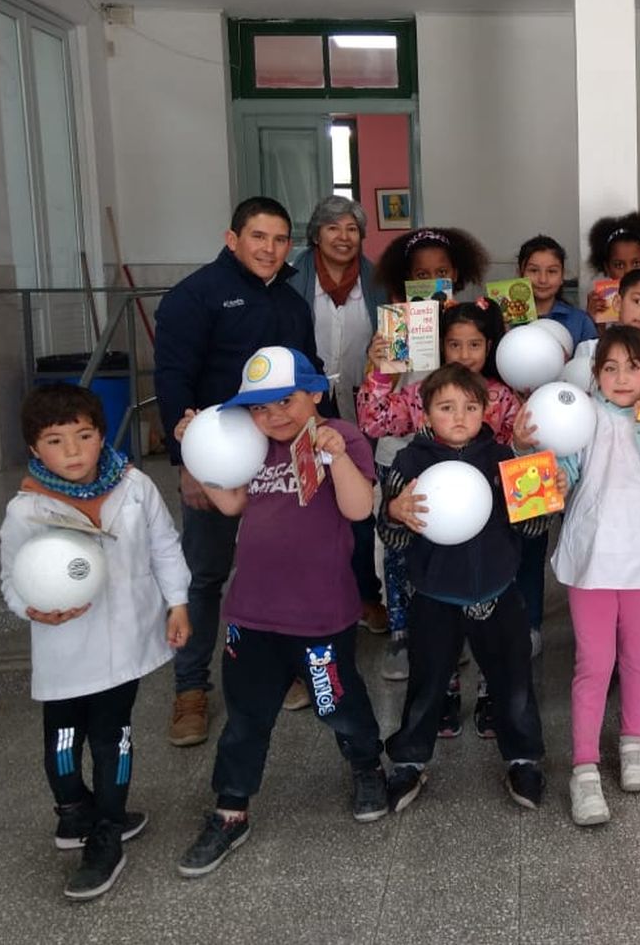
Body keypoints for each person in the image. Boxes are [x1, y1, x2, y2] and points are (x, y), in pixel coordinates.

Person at [172, 347, 387, 877]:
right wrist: (200, 449)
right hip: (253, 614)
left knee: (334, 702)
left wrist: (336, 455)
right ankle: (231, 808)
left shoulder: (341, 436)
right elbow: (233, 504)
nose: (274, 416)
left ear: (314, 393)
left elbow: (360, 509)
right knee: (246, 717)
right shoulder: (254, 446)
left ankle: (365, 765)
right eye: (261, 408)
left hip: (320, 615)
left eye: (286, 401)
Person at [0, 384, 191, 901]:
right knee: (62, 742)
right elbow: (11, 578)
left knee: (113, 737)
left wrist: (177, 603)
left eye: (84, 436)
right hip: (64, 648)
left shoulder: (134, 486)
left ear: (102, 434)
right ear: (35, 450)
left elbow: (164, 547)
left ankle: (107, 830)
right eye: (56, 441)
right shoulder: (26, 510)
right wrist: (31, 607)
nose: (74, 451)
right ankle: (73, 809)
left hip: (123, 644)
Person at [154, 196, 320, 747]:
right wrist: (188, 466)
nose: (270, 249)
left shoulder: (293, 303)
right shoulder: (194, 297)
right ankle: (190, 689)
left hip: (282, 455)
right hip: (217, 459)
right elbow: (173, 380)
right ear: (232, 240)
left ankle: (284, 668)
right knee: (205, 575)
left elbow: (309, 373)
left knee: (278, 564)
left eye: (279, 239)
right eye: (258, 237)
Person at [376, 364, 549, 813]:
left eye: (470, 407)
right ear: (425, 413)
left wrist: (539, 483)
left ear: (485, 410)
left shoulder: (503, 457)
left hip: (498, 588)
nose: (459, 417)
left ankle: (523, 756)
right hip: (434, 593)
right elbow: (393, 536)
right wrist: (395, 512)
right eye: (446, 407)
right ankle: (410, 760)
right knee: (428, 681)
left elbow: (533, 529)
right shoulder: (408, 464)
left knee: (513, 681)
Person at [545, 326, 640, 825]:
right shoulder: (583, 418)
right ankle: (584, 767)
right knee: (594, 662)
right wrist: (541, 459)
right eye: (611, 367)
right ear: (596, 375)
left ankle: (634, 743)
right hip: (592, 561)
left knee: (638, 656)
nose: (623, 377)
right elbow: (559, 478)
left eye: (634, 366)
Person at [358, 299, 521, 711]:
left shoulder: (502, 396)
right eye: (454, 345)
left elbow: (522, 450)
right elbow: (375, 421)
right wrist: (381, 371)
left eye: (474, 345)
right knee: (437, 630)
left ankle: (489, 693)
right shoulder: (423, 393)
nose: (464, 355)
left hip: (492, 533)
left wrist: (528, 441)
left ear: (490, 347)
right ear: (440, 346)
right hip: (436, 538)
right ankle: (444, 691)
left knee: (494, 630)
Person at [288, 196, 389, 639]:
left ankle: (367, 595)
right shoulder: (292, 280)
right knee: (308, 502)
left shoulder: (377, 282)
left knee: (359, 502)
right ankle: (318, 599)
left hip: (357, 403)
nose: (344, 237)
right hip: (305, 405)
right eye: (334, 228)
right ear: (316, 234)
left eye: (352, 229)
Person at [518, 234, 598, 345]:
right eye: (534, 270)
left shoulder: (581, 322)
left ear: (562, 276)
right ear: (520, 274)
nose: (543, 279)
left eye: (552, 271)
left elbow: (590, 360)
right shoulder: (505, 321)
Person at [375, 226, 491, 299]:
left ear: (455, 274)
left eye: (442, 272)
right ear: (409, 277)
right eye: (422, 275)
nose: (433, 282)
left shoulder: (467, 319)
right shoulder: (399, 321)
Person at [587, 210, 640, 281]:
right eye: (619, 265)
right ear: (607, 268)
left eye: (637, 263)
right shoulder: (602, 298)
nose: (628, 272)